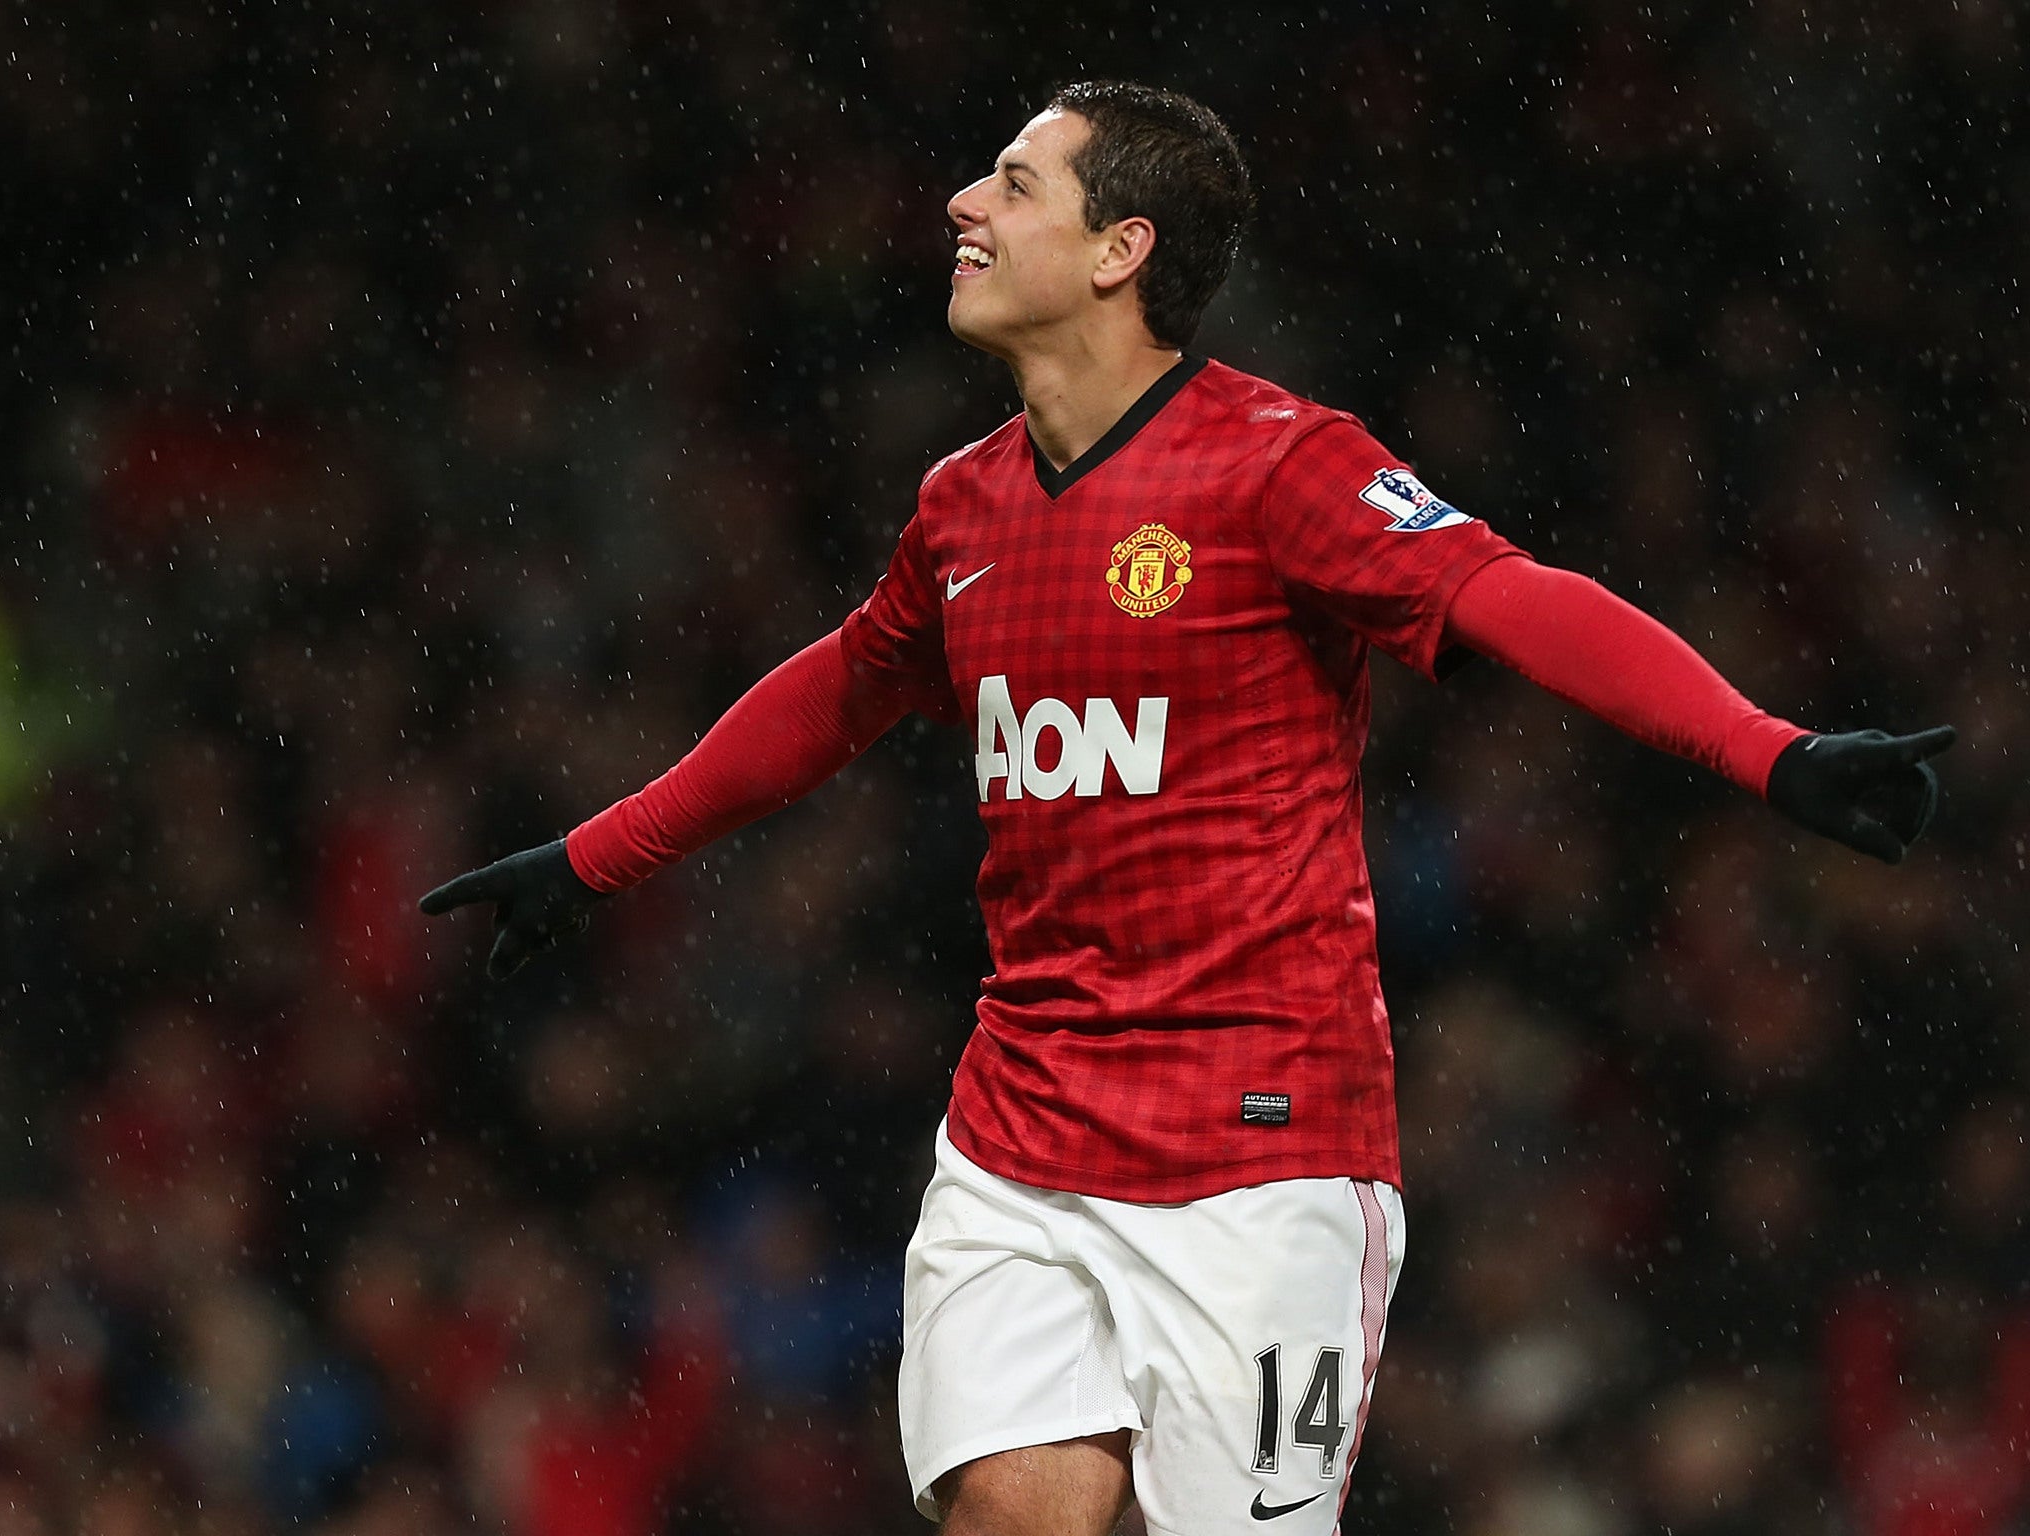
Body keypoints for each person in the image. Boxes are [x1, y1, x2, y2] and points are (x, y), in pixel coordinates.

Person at [420, 81, 1954, 1536]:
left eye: (1013, 184)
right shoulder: (962, 504)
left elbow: (1508, 598)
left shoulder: (1276, 466)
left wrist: (1768, 750)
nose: (962, 202)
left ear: (1118, 251)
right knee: (1012, 1508)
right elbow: (840, 690)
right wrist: (594, 856)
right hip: (1019, 1140)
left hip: (1262, 1159)